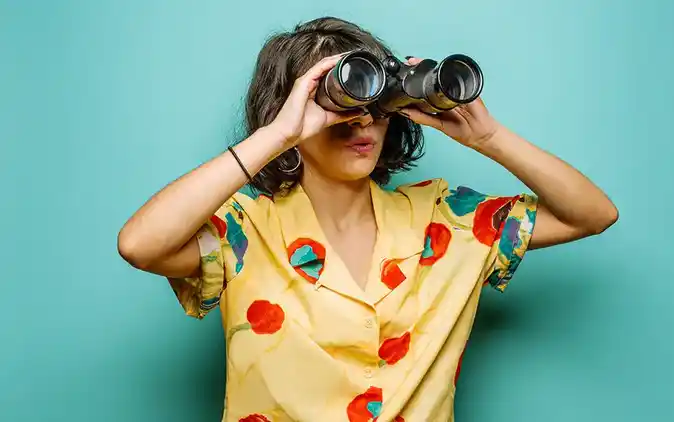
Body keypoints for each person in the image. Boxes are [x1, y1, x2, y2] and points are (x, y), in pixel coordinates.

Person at [117, 16, 618, 422]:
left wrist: (488, 139)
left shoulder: (448, 220)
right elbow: (140, 245)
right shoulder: (244, 232)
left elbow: (593, 214)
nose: (362, 122)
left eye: (376, 104)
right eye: (342, 103)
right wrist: (277, 134)